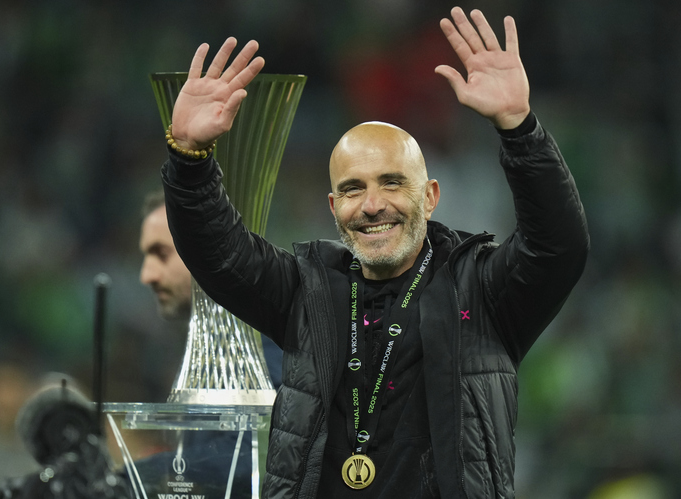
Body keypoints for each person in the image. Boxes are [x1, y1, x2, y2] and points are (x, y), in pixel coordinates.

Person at [160, 6, 589, 499]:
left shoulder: (482, 293)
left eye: (391, 183)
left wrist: (520, 130)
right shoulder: (306, 292)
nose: (371, 205)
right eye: (352, 189)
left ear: (430, 197)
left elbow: (558, 246)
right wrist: (189, 159)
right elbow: (219, 255)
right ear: (333, 207)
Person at [138, 191, 283, 497]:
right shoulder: (212, 344)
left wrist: (131, 477)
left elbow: (257, 455)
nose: (146, 275)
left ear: (210, 251)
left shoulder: (260, 340)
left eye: (161, 254)